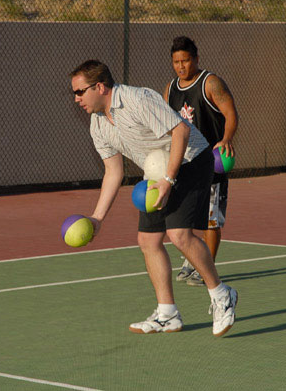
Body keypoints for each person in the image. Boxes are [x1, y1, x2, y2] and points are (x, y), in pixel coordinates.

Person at [69, 59, 238, 337]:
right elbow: (113, 171)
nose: (76, 99)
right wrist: (97, 218)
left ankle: (222, 295)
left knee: (179, 234)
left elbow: (181, 130)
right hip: (156, 170)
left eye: (79, 91)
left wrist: (169, 180)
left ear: (99, 87)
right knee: (147, 240)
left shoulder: (137, 99)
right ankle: (167, 313)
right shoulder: (98, 124)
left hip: (191, 160)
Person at [164, 36, 239, 287]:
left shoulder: (210, 83)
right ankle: (192, 258)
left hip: (211, 160)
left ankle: (207, 266)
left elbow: (230, 113)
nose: (181, 65)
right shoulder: (171, 88)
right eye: (176, 61)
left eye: (185, 60)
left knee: (210, 217)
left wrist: (227, 139)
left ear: (196, 59)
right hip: (185, 161)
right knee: (186, 212)